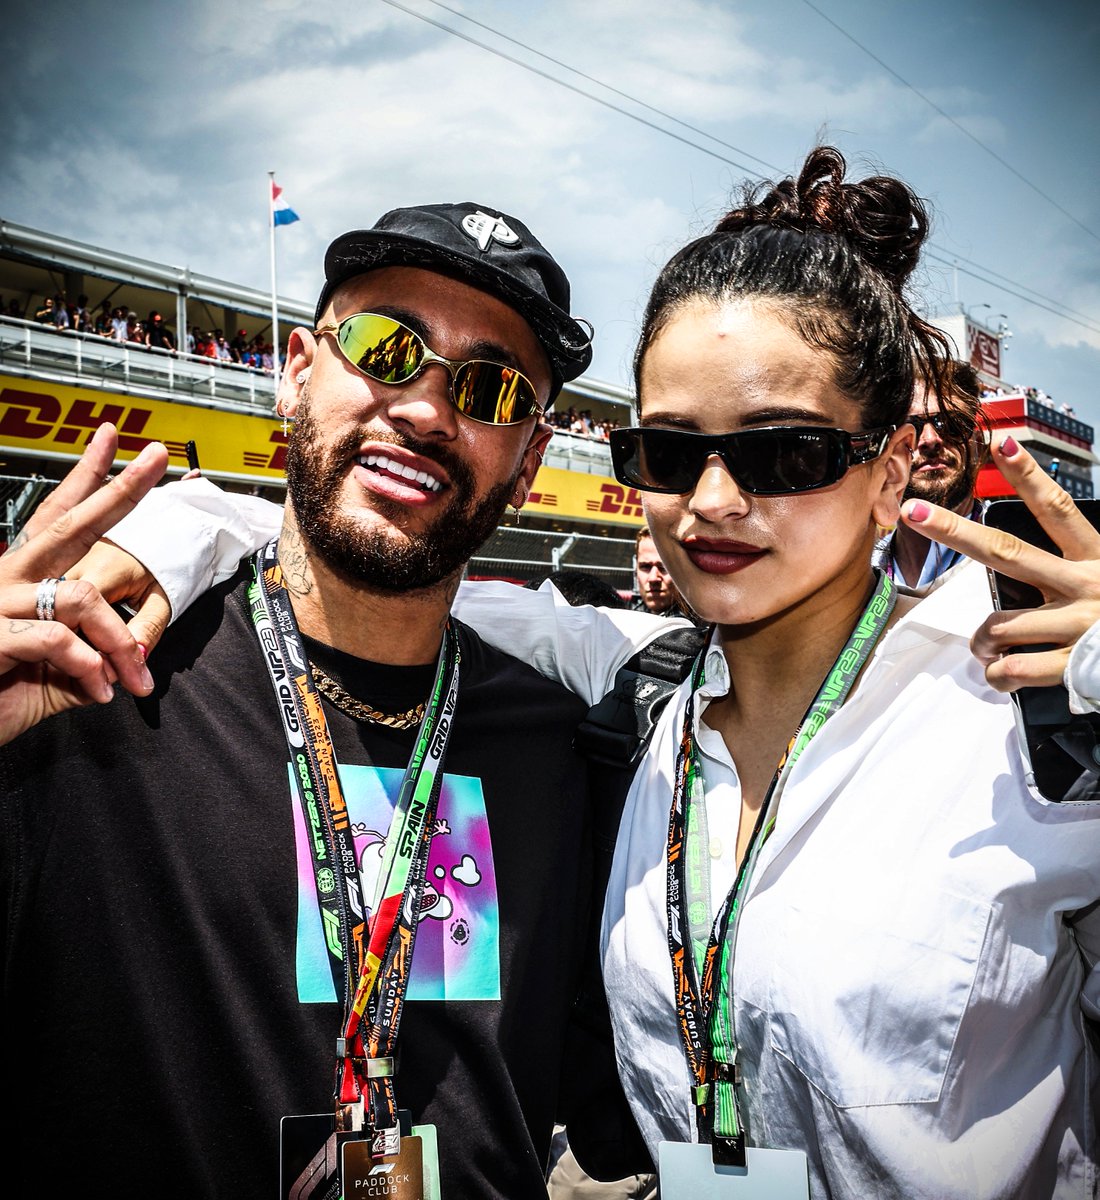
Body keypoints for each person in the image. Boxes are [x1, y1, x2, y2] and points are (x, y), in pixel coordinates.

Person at [62, 151, 1100, 1197]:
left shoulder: (1030, 701)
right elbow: (390, 543)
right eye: (666, 451)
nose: (714, 502)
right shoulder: (634, 694)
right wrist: (183, 518)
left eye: (782, 455)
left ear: (885, 476)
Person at [0, 202, 652, 1199]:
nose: (428, 410)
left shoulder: (570, 748)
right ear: (298, 370)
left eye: (487, 387)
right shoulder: (88, 683)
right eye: (387, 348)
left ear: (525, 464)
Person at [874, 358, 985, 588]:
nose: (930, 440)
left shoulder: (1026, 552)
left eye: (952, 424)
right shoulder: (859, 573)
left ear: (978, 443)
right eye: (910, 427)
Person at [631, 525, 681, 614]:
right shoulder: (629, 619)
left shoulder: (706, 624)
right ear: (636, 571)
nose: (653, 578)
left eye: (664, 567)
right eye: (645, 567)